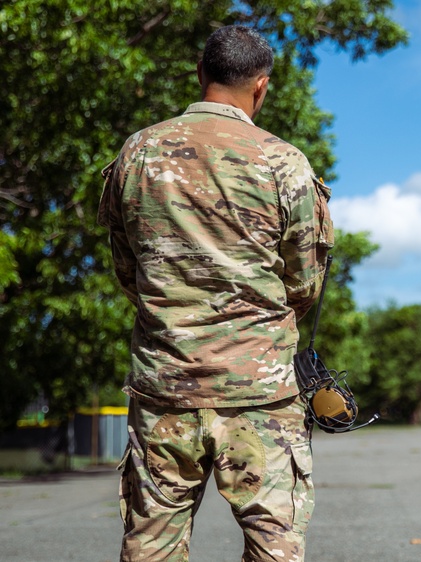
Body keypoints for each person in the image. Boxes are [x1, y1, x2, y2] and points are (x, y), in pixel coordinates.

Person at [98, 24, 334, 562]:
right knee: (275, 548)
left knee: (151, 549)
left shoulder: (137, 152)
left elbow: (126, 269)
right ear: (262, 87)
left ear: (200, 74)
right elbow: (303, 281)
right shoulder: (284, 162)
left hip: (165, 388)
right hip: (261, 393)